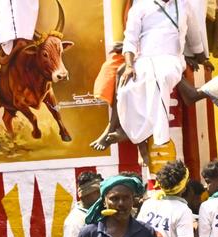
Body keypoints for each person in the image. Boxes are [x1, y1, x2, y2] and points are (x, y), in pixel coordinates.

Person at [88, 0, 210, 162]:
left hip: (171, 60)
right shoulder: (140, 6)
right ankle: (121, 130)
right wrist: (129, 66)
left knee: (159, 77)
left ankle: (147, 136)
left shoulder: (184, 5)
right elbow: (130, 41)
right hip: (144, 60)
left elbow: (194, 38)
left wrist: (203, 59)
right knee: (126, 86)